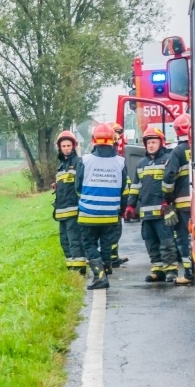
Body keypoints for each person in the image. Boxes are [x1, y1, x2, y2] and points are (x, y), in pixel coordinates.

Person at [76, 123, 128, 290]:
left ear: (93, 140)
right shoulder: (120, 162)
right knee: (107, 243)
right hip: (110, 214)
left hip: (88, 213)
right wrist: (121, 209)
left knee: (89, 243)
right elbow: (123, 190)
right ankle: (106, 268)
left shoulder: (85, 160)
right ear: (114, 141)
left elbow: (77, 187)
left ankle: (99, 276)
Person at [125, 127, 179, 282]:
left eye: (154, 142)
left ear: (161, 143)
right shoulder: (141, 164)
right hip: (146, 212)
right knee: (150, 241)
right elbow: (135, 186)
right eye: (148, 142)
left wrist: (168, 202)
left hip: (164, 210)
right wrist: (130, 205)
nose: (150, 145)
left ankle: (171, 271)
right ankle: (157, 270)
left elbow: (172, 183)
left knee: (167, 241)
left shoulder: (168, 160)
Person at [162, 113, 194, 285]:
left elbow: (169, 177)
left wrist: (167, 199)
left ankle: (189, 273)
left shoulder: (178, 151)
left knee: (184, 238)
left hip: (183, 203)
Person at [53, 131, 86, 274]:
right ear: (59, 148)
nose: (66, 148)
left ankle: (79, 269)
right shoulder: (61, 166)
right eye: (63, 146)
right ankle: (71, 268)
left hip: (74, 209)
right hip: (61, 211)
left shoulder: (78, 163)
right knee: (65, 241)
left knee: (75, 240)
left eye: (68, 145)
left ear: (73, 146)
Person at [108, 122, 130, 269]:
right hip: (113, 200)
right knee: (113, 231)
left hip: (115, 199)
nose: (119, 136)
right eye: (116, 133)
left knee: (115, 231)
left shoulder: (114, 151)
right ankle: (111, 258)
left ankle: (113, 257)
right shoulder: (111, 153)